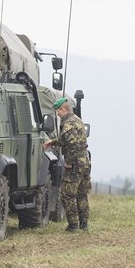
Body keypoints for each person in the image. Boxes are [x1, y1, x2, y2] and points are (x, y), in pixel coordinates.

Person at [43, 97, 91, 231]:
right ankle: (84, 225)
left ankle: (73, 225)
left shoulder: (68, 124)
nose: (57, 114)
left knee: (67, 195)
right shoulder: (77, 120)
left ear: (63, 109)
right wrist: (53, 142)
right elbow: (68, 139)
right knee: (82, 193)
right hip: (84, 161)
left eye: (58, 111)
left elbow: (72, 144)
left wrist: (68, 161)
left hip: (75, 163)